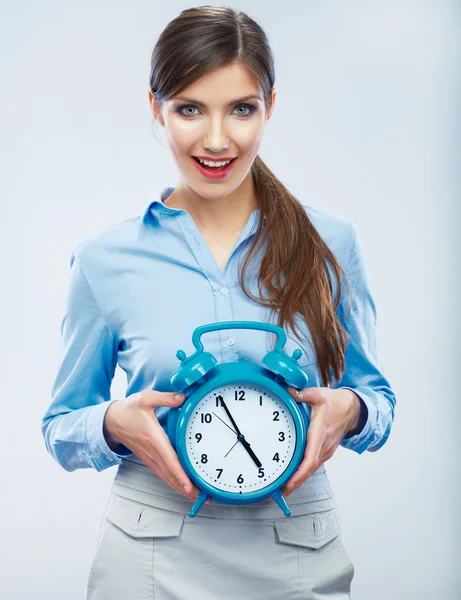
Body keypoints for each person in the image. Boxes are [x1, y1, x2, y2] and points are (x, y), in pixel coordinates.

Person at [41, 6, 396, 599]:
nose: (215, 140)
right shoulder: (104, 260)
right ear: (155, 108)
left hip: (296, 550)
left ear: (270, 107)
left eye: (240, 109)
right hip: (150, 554)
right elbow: (60, 426)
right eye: (189, 109)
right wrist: (112, 423)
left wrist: (350, 411)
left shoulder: (332, 244)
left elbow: (378, 401)